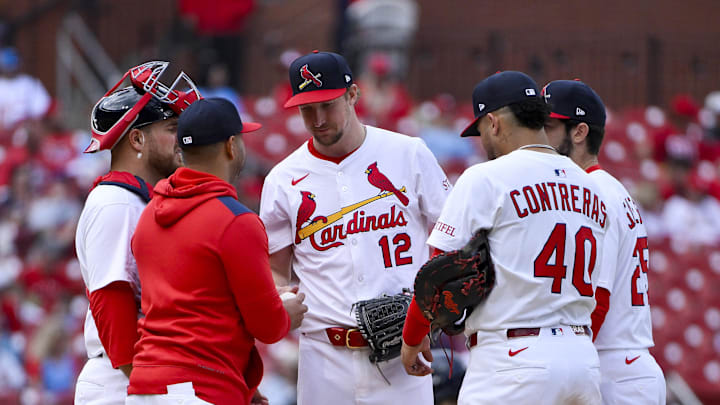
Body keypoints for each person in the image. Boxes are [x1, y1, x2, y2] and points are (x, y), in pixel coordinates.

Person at [401, 71, 607, 404]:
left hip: (514, 359)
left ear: (494, 123)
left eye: (481, 130)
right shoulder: (590, 185)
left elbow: (436, 273)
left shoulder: (486, 177)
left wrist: (413, 338)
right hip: (582, 358)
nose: (482, 141)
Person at [259, 50, 450, 404]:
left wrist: (428, 316)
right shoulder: (282, 179)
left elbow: (452, 243)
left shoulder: (409, 153)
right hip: (323, 358)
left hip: (402, 354)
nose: (317, 119)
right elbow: (274, 268)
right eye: (306, 109)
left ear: (352, 95)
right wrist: (283, 296)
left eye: (326, 105)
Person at [127, 97, 307, 405]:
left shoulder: (149, 214)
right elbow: (267, 325)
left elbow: (199, 303)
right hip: (201, 386)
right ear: (231, 146)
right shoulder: (236, 221)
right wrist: (286, 313)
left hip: (145, 384)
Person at [74, 61, 202, 404]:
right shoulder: (117, 203)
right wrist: (149, 389)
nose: (183, 139)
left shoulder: (136, 199)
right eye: (172, 127)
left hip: (140, 376)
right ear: (136, 138)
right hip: (122, 382)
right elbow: (112, 305)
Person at [542, 79, 666, 404]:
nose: (539, 135)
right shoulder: (605, 188)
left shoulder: (594, 192)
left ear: (579, 133)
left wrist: (574, 367)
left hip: (615, 369)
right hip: (618, 363)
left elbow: (598, 296)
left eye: (549, 125)